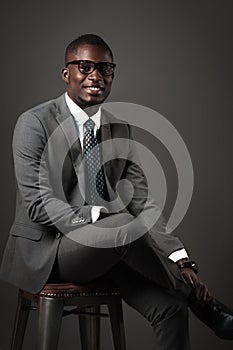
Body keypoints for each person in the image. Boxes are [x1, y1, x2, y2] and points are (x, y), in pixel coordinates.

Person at [0, 34, 233, 350]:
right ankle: (205, 305)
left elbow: (142, 202)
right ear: (66, 74)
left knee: (170, 309)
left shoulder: (119, 128)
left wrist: (180, 258)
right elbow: (38, 206)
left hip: (111, 246)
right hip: (50, 252)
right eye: (85, 66)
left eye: (105, 69)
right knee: (120, 224)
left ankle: (185, 296)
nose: (96, 76)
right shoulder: (35, 122)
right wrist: (100, 214)